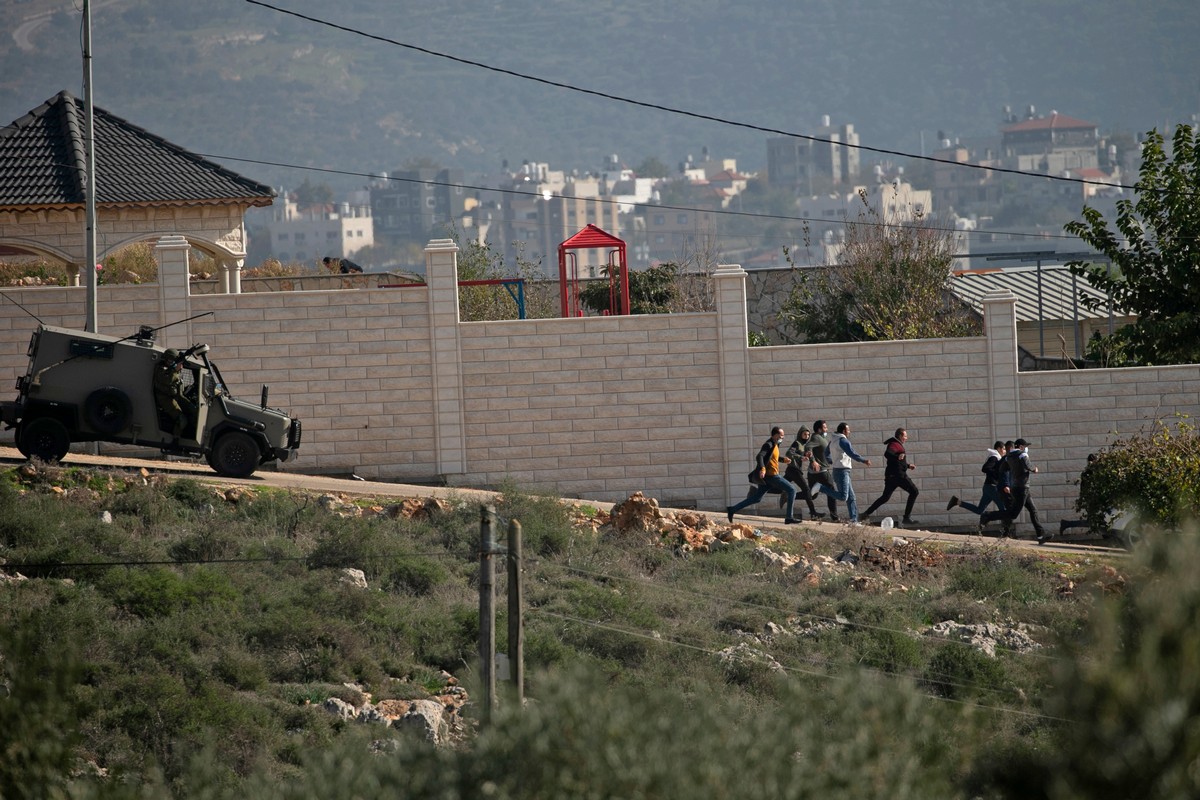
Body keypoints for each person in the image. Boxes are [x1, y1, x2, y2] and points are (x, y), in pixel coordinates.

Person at [727, 426, 801, 525]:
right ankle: (789, 517)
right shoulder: (768, 444)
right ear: (774, 435)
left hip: (767, 478)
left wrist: (783, 460)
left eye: (783, 436)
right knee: (792, 490)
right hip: (772, 476)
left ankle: (732, 509)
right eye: (781, 436)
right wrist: (762, 468)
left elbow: (772, 457)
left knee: (757, 498)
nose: (782, 438)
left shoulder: (775, 444)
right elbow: (760, 456)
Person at [979, 438, 1048, 542]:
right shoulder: (1022, 455)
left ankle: (1041, 536)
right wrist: (1034, 469)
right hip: (1022, 488)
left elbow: (1002, 469)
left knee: (1033, 510)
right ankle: (987, 516)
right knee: (1012, 514)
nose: (1026, 449)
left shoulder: (1008, 457)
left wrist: (1011, 476)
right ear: (1020, 447)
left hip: (1019, 487)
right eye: (1025, 446)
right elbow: (1028, 465)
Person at [861, 427, 920, 526]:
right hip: (898, 476)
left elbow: (897, 462)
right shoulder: (895, 444)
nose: (906, 438)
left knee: (885, 497)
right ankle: (906, 518)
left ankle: (865, 514)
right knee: (914, 492)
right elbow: (888, 453)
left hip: (891, 476)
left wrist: (908, 466)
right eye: (905, 436)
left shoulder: (896, 444)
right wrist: (897, 456)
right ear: (900, 436)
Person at [816, 422, 871, 524]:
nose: (849, 432)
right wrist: (864, 460)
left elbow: (826, 453)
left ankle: (854, 521)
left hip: (839, 470)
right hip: (842, 471)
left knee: (851, 497)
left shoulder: (833, 440)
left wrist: (831, 461)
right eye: (848, 430)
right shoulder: (843, 440)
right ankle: (821, 488)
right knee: (843, 496)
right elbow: (852, 453)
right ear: (844, 431)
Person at [947, 441, 1008, 519]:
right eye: (1004, 449)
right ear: (999, 449)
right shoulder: (994, 457)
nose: (1005, 451)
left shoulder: (996, 458)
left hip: (988, 487)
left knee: (979, 510)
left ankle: (957, 502)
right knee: (1004, 509)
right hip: (992, 487)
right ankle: (1005, 530)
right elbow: (985, 468)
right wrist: (997, 473)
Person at [781, 426, 825, 520]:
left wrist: (810, 458)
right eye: (804, 434)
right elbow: (789, 453)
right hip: (794, 470)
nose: (807, 436)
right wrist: (800, 457)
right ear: (800, 434)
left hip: (793, 470)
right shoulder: (797, 443)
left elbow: (806, 454)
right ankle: (813, 513)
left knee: (778, 487)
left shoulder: (805, 445)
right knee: (806, 490)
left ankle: (756, 490)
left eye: (808, 434)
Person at [152, 348, 194, 443]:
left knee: (192, 411)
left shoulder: (170, 369)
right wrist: (175, 370)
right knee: (182, 419)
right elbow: (167, 380)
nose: (172, 363)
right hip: (164, 399)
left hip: (173, 396)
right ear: (167, 360)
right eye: (171, 361)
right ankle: (175, 440)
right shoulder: (161, 369)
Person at [805, 419, 839, 521]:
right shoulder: (817, 437)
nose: (827, 429)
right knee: (831, 491)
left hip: (813, 472)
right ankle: (835, 517)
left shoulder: (820, 438)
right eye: (825, 427)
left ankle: (790, 495)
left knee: (811, 494)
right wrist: (813, 461)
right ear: (819, 429)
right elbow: (807, 447)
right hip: (821, 472)